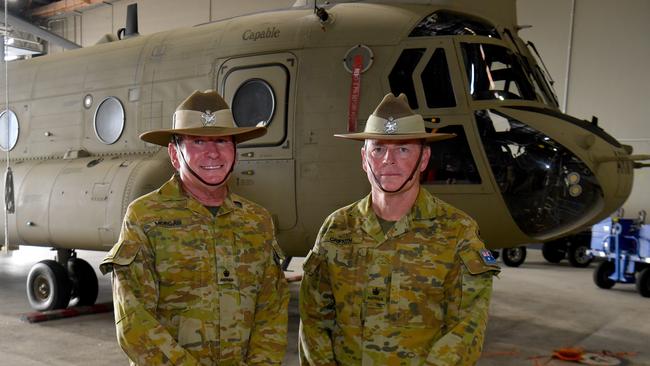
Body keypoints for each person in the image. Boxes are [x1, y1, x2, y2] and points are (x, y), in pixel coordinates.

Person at [299, 93, 500, 365]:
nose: (388, 160)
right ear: (363, 157)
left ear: (424, 158)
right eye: (378, 149)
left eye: (403, 149)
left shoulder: (457, 231)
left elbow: (466, 327)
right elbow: (314, 319)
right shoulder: (337, 228)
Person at [100, 90, 289, 365]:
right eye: (198, 141)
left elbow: (271, 310)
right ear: (175, 153)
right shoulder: (145, 217)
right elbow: (134, 321)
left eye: (222, 140)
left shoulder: (256, 221)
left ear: (235, 151)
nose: (212, 152)